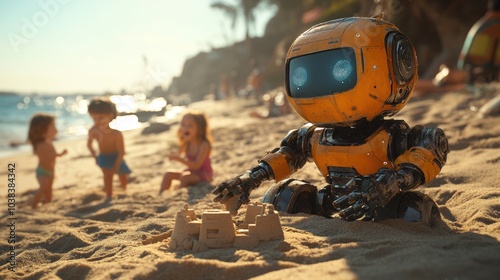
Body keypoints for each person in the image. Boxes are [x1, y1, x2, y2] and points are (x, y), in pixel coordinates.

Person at [213, 17, 449, 227]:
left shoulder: (388, 136)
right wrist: (250, 178)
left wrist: (391, 183)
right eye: (302, 76)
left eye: (342, 69)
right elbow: (287, 154)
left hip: (383, 201)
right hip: (331, 200)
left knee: (413, 213)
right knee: (281, 198)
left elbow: (430, 145)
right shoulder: (314, 135)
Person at [159, 111, 213, 194]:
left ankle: (179, 194)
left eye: (190, 125)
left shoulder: (204, 145)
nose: (186, 128)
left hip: (203, 175)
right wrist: (173, 155)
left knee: (185, 177)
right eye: (183, 125)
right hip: (191, 172)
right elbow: (179, 153)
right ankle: (161, 195)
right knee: (168, 174)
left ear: (200, 129)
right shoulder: (187, 143)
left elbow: (196, 165)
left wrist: (179, 159)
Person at [87, 97, 131, 198]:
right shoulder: (93, 131)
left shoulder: (116, 134)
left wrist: (117, 163)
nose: (97, 121)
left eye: (101, 118)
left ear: (111, 116)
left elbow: (121, 151)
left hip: (117, 156)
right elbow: (89, 144)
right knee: (108, 175)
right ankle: (109, 195)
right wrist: (95, 156)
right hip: (103, 156)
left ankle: (124, 190)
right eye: (94, 118)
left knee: (122, 174)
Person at [28, 113, 67, 208]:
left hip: (51, 171)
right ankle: (34, 205)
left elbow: (53, 154)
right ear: (42, 129)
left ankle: (47, 203)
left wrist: (59, 154)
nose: (55, 128)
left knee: (49, 190)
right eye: (53, 125)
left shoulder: (49, 142)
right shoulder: (40, 144)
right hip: (42, 171)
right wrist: (58, 154)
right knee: (43, 188)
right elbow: (44, 157)